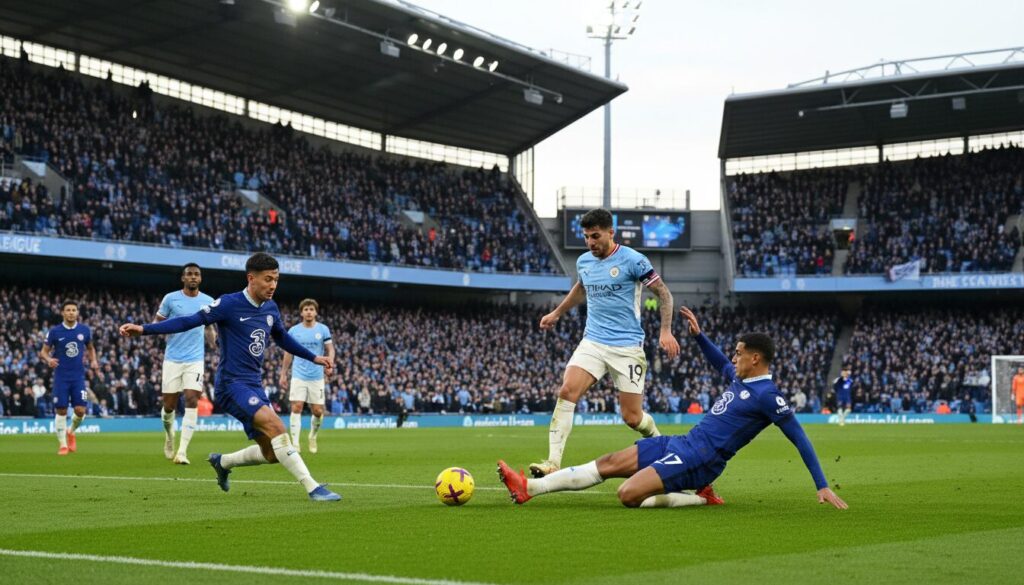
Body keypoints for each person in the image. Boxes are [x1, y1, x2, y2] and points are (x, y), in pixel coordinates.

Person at [498, 306, 848, 511]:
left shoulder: (769, 397)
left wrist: (821, 484)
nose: (735, 357)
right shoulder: (741, 380)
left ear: (755, 359)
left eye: (740, 353)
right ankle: (529, 488)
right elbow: (720, 363)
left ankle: (699, 498)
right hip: (682, 442)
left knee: (628, 494)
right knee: (608, 463)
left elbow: (799, 438)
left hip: (701, 459)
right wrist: (697, 336)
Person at [119, 253, 341, 501]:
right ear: (251, 278)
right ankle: (313, 487)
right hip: (231, 385)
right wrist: (144, 329)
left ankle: (222, 462)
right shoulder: (228, 304)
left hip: (254, 385)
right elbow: (189, 321)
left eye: (276, 280)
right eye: (268, 279)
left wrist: (314, 357)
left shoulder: (270, 307)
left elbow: (281, 337)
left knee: (270, 453)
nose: (273, 285)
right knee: (278, 427)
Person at [530, 208, 680, 478]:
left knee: (633, 418)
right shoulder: (584, 262)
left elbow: (664, 293)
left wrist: (666, 331)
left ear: (611, 232)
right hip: (593, 342)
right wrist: (556, 313)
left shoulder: (634, 260)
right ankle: (553, 462)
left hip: (627, 348)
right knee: (567, 392)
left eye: (595, 236)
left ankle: (661, 443)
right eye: (586, 237)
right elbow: (581, 288)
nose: (590, 243)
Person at [154, 263, 215, 464]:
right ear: (183, 278)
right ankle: (170, 435)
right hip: (172, 359)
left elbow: (209, 327)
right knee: (169, 406)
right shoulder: (170, 299)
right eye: (189, 274)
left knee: (191, 399)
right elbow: (158, 322)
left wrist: (212, 340)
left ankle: (182, 452)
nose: (193, 277)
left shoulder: (208, 301)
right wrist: (156, 331)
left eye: (196, 274)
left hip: (195, 359)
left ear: (201, 278)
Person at [40, 301, 99, 455]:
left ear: (77, 312)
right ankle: (63, 445)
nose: (71, 312)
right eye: (68, 310)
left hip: (78, 376)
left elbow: (91, 348)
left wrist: (93, 360)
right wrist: (49, 360)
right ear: (63, 313)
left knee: (80, 410)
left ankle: (71, 431)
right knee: (61, 410)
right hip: (61, 376)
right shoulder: (55, 332)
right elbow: (44, 352)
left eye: (74, 310)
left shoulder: (84, 330)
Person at [278, 298, 335, 453]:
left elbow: (330, 350)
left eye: (311, 309)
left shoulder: (323, 329)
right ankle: (295, 444)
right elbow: (288, 353)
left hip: (316, 376)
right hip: (298, 375)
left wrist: (330, 363)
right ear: (301, 312)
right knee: (296, 407)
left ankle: (312, 436)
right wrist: (283, 374)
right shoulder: (294, 331)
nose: (309, 312)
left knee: (318, 411)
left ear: (316, 312)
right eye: (306, 309)